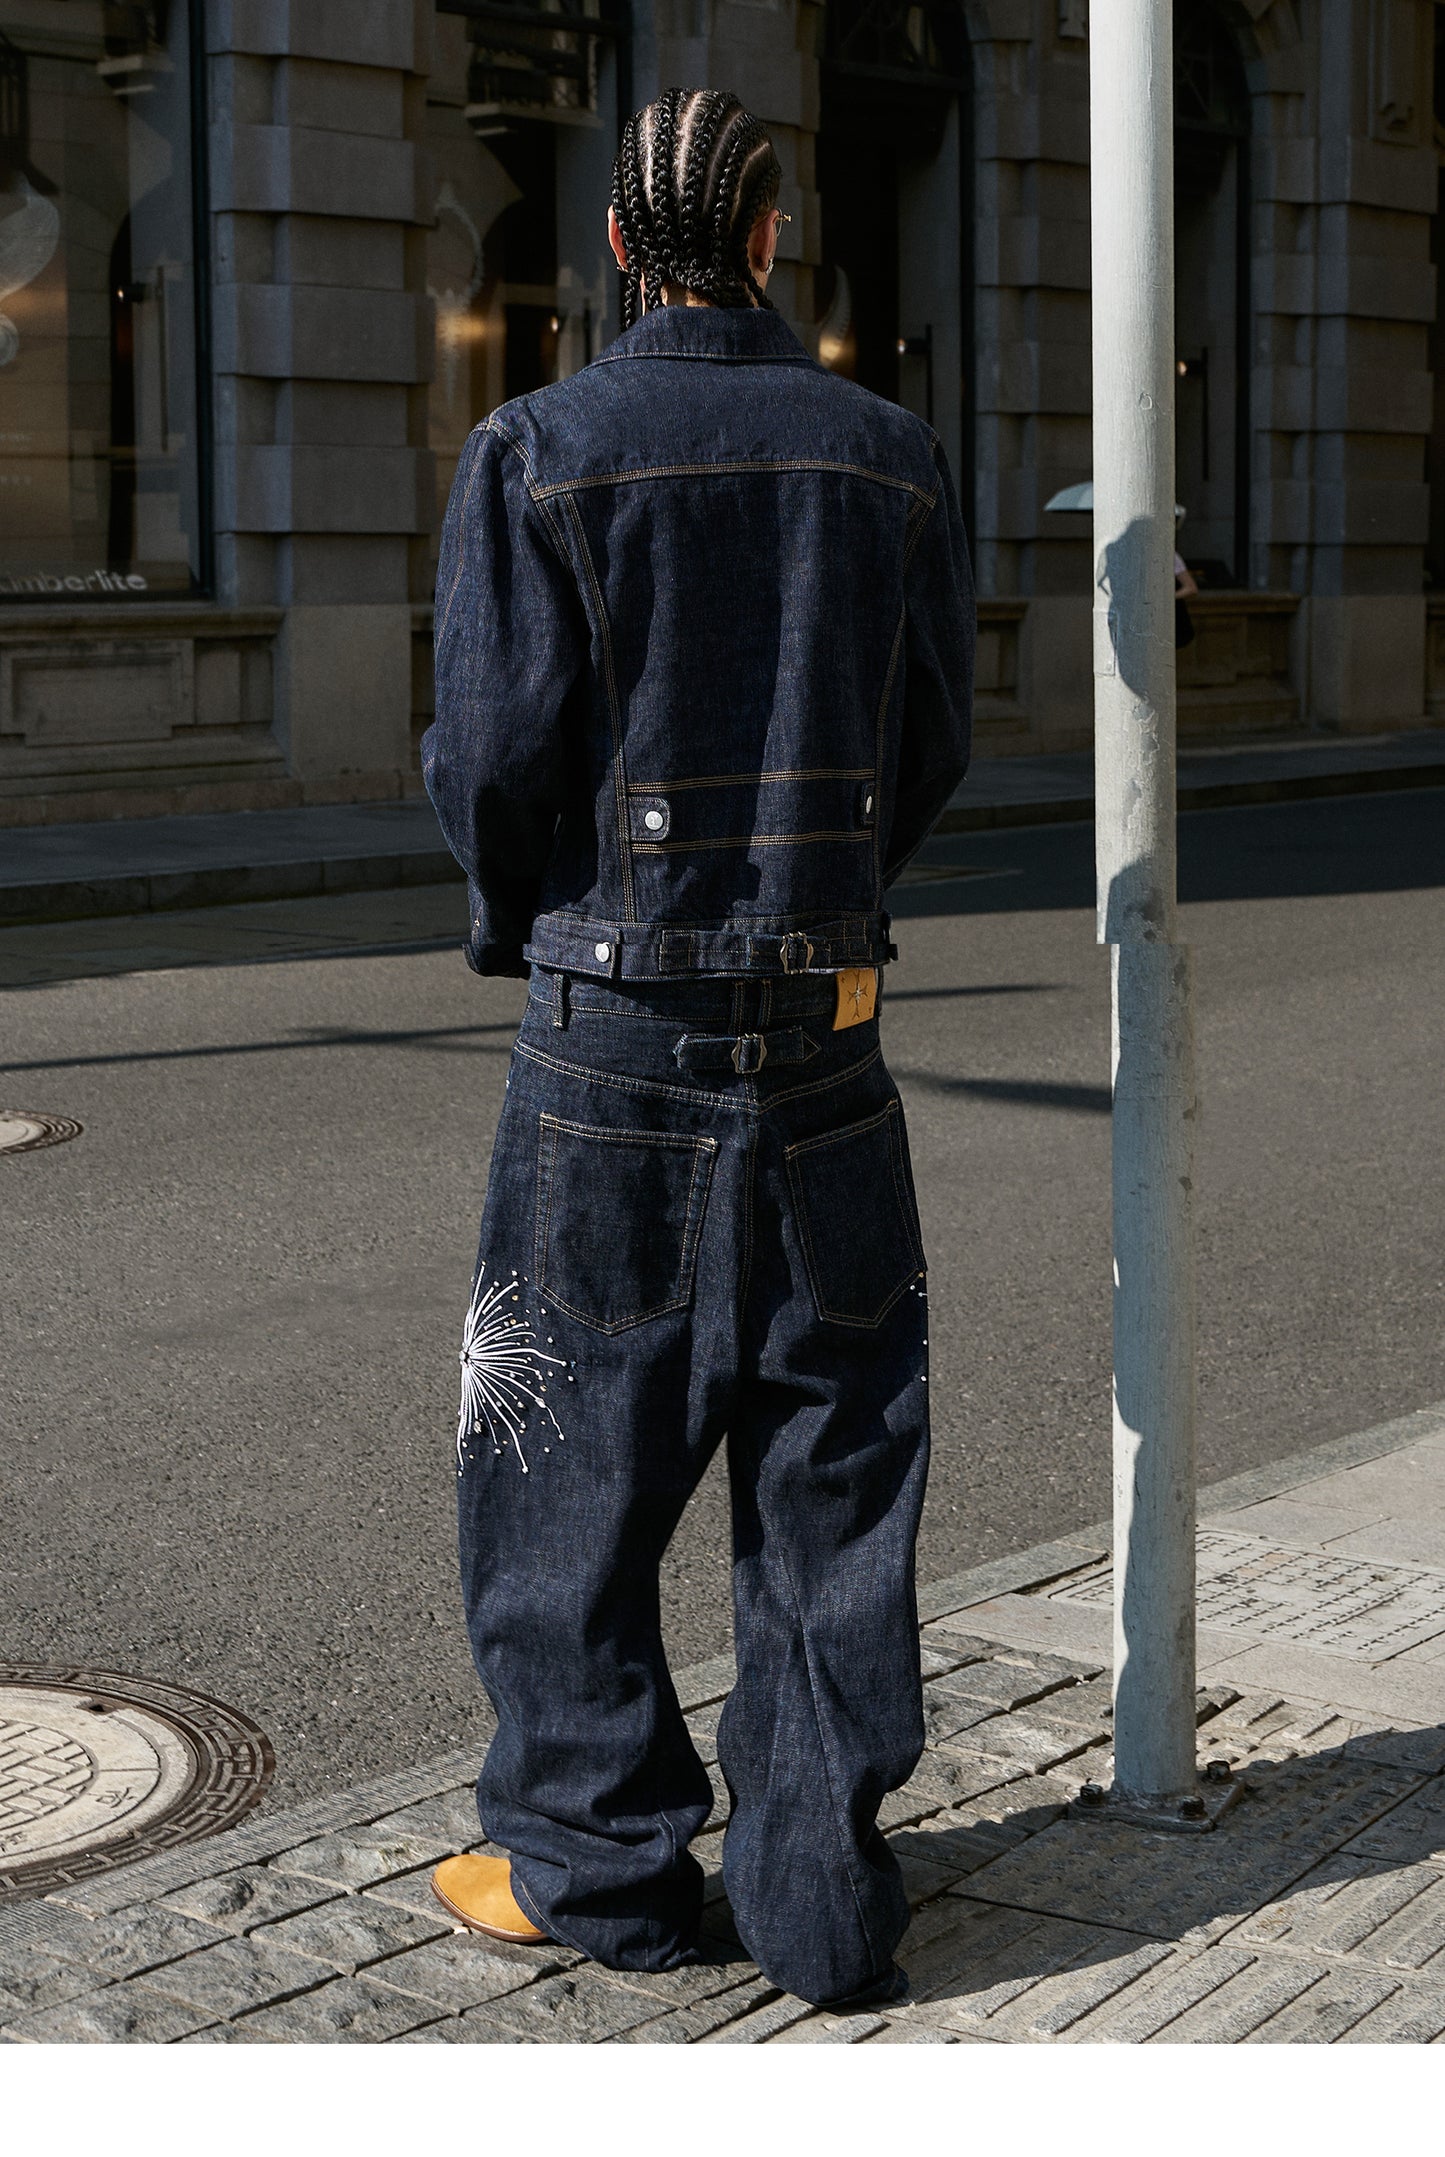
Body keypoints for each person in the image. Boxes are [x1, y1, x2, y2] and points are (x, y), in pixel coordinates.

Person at [422, 87, 974, 2009]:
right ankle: (822, 1897)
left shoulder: (534, 448)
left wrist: (536, 933)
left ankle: (601, 1869)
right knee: (833, 1460)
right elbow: (927, 748)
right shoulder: (888, 454)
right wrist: (815, 902)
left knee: (555, 1460)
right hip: (827, 1041)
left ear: (609, 251)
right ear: (764, 240)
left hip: (607, 1037)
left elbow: (491, 762)